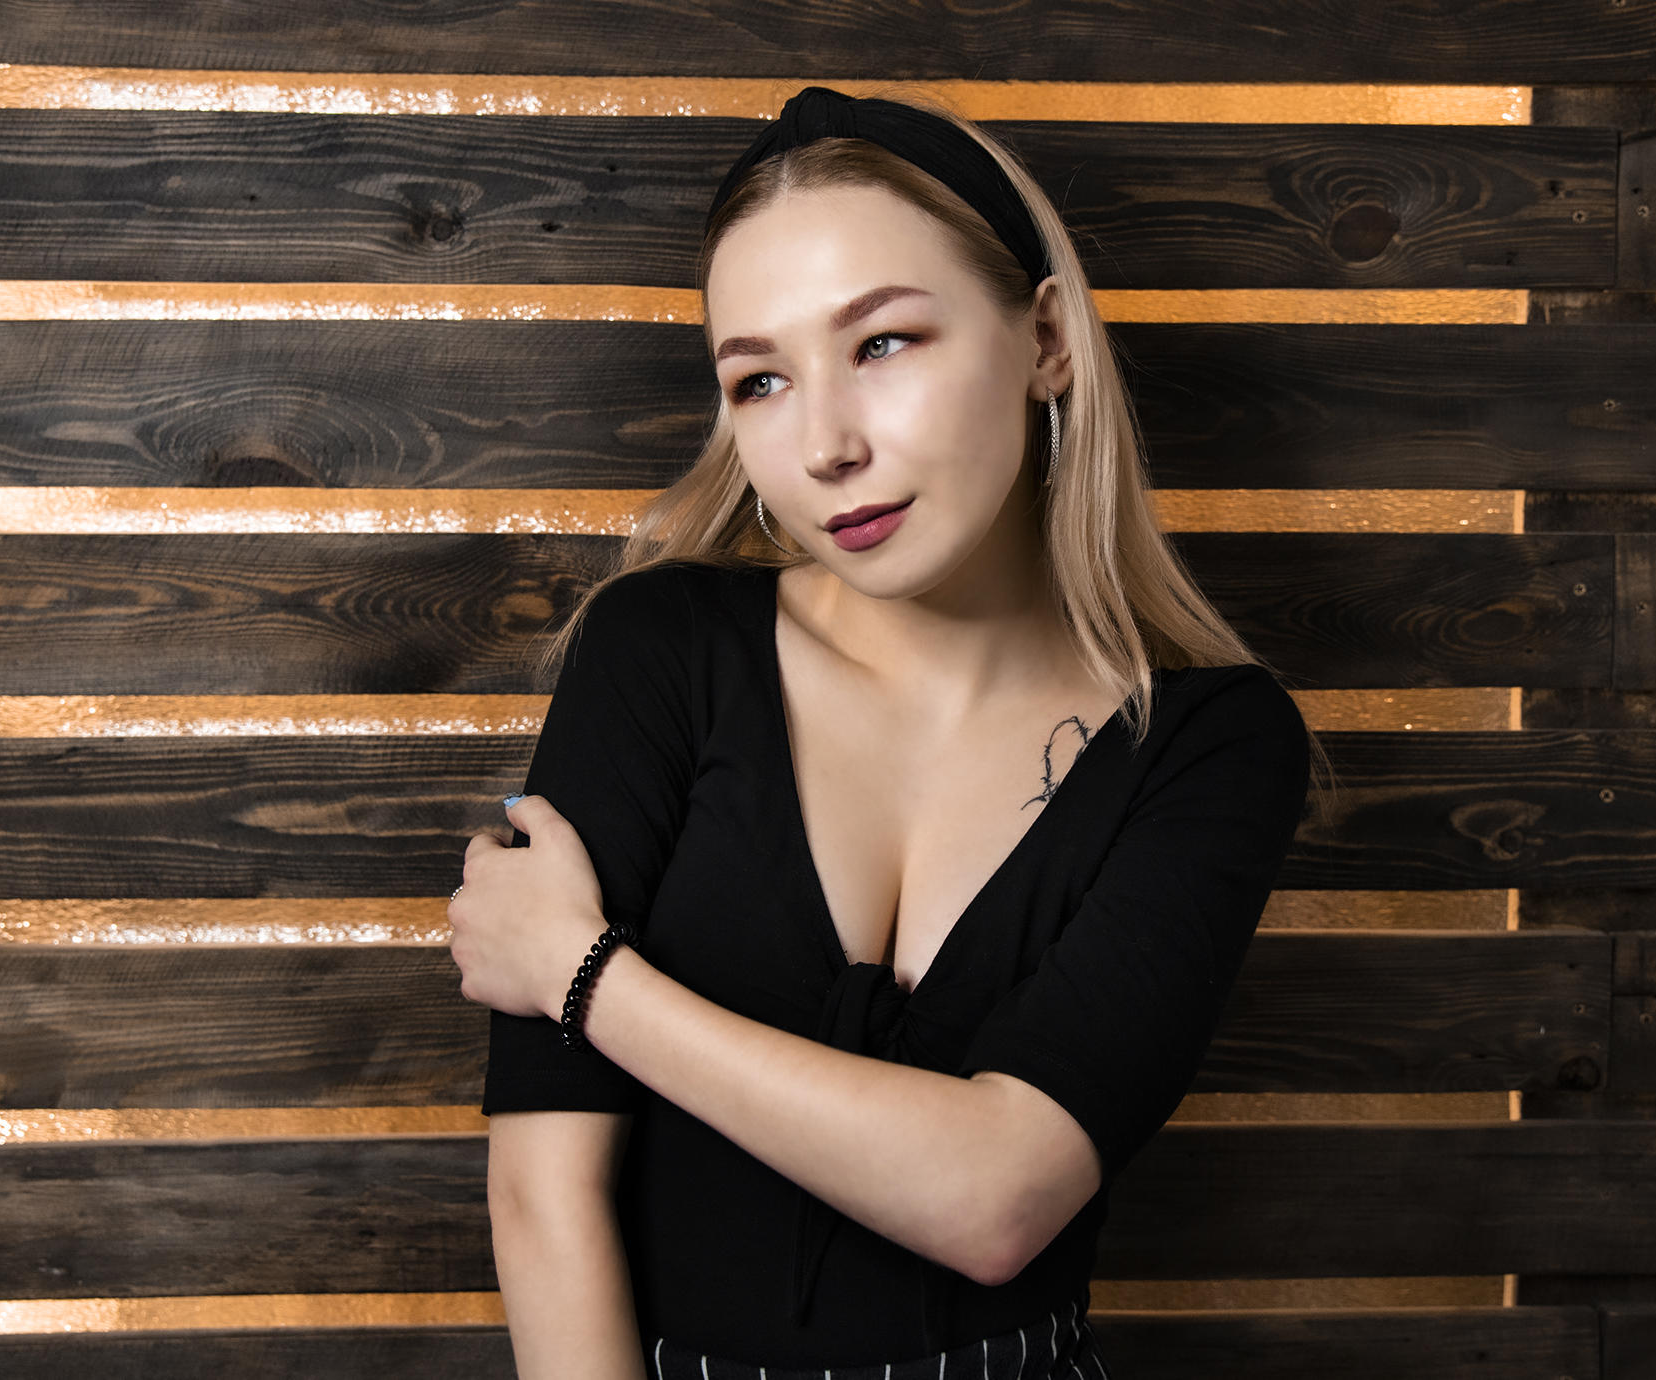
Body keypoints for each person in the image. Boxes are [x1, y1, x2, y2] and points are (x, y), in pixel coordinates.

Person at [447, 83, 1331, 1379]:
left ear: (1046, 340)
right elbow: (542, 1195)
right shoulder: (660, 650)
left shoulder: (1210, 743)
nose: (825, 446)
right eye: (760, 380)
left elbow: (997, 1200)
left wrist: (586, 978)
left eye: (883, 344)